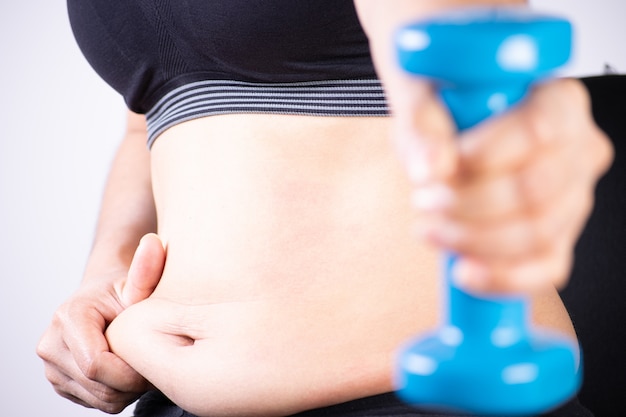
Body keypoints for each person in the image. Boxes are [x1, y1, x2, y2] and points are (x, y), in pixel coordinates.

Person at [37, 0, 612, 416]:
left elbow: (459, 52)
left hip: (413, 392)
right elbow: (151, 122)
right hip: (166, 399)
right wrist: (103, 277)